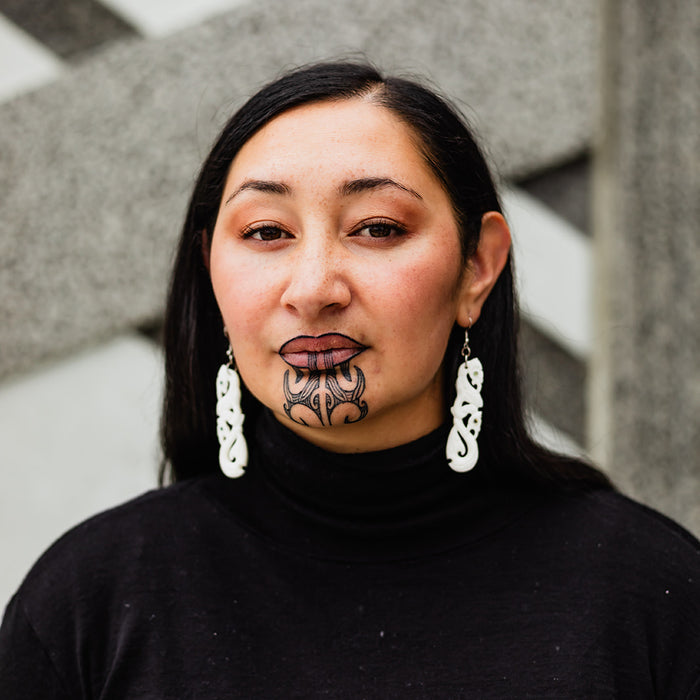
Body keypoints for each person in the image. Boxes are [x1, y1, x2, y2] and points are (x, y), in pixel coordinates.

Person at [1, 61, 699, 699]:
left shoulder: (643, 593)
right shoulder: (90, 603)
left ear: (477, 268)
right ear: (211, 274)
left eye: (376, 227)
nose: (313, 289)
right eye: (267, 232)